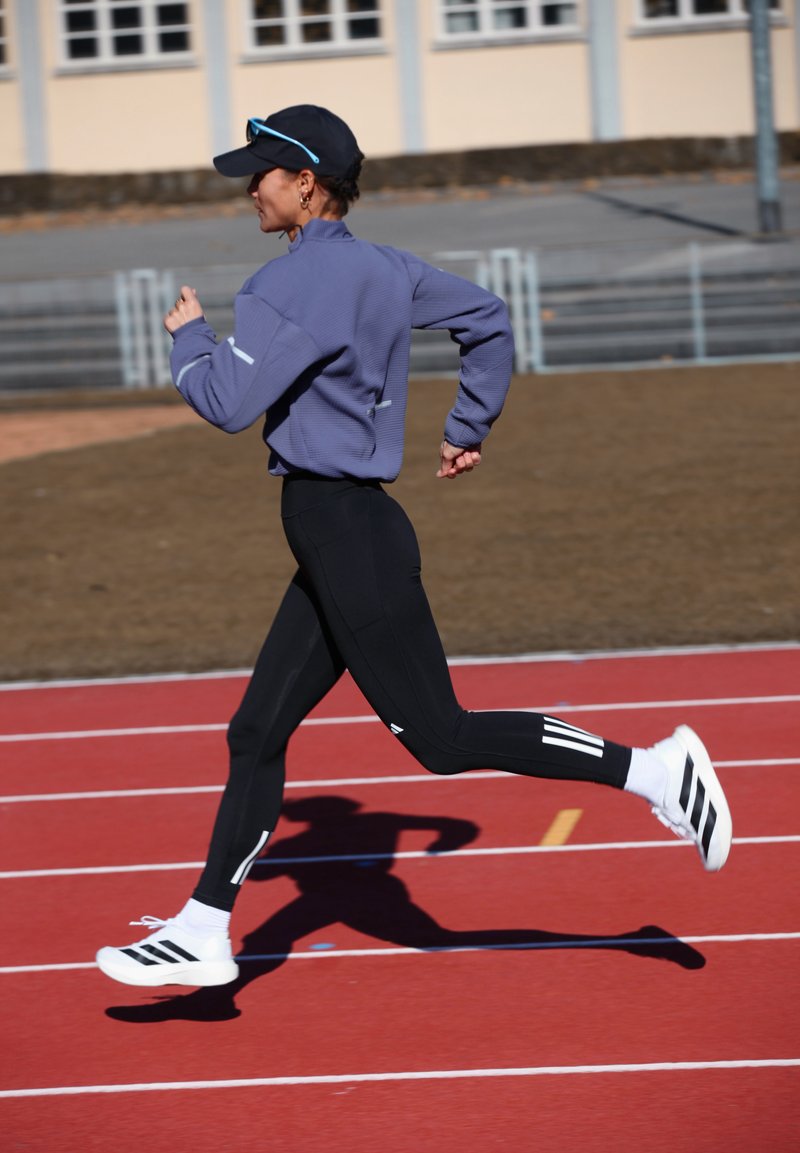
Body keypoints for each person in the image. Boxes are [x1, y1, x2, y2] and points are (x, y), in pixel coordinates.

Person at [96, 105, 732, 990]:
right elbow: (489, 318)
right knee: (256, 731)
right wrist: (467, 424)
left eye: (262, 175)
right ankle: (205, 927)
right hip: (346, 534)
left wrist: (189, 340)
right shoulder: (387, 269)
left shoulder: (285, 284)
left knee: (441, 735)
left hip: (345, 534)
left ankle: (658, 771)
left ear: (306, 183)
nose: (250, 190)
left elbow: (228, 404)